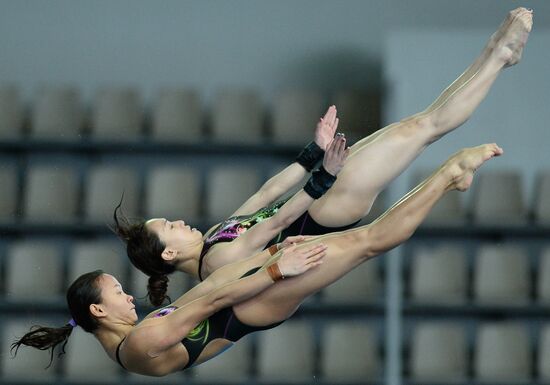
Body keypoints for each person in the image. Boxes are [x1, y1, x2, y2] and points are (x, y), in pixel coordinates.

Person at [113, 7, 533, 306]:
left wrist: (313, 150)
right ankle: (499, 57)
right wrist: (324, 176)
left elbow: (265, 196)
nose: (179, 220)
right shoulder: (217, 262)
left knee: (420, 124)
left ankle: (497, 54)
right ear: (168, 254)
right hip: (327, 208)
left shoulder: (213, 239)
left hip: (324, 194)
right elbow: (279, 222)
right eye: (169, 226)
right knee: (425, 128)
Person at [12, 143, 503, 376]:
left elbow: (213, 287)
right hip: (246, 305)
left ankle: (444, 178)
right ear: (98, 311)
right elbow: (210, 297)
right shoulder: (141, 342)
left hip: (245, 302)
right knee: (368, 241)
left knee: (364, 240)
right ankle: (447, 176)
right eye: (117, 293)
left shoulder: (127, 346)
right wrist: (273, 268)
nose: (127, 294)